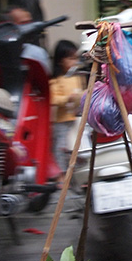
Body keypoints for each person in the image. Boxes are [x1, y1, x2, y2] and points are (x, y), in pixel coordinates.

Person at [49, 39, 85, 170]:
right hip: (62, 121)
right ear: (60, 60)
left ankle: (77, 170)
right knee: (61, 147)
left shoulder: (78, 77)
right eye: (70, 59)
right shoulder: (56, 80)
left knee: (78, 145)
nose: (74, 62)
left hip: (77, 119)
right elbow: (53, 99)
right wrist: (67, 98)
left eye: (76, 58)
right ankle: (62, 172)